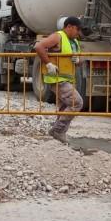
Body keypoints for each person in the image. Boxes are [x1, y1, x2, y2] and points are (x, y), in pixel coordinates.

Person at [35, 16, 84, 144]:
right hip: (57, 79)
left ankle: (57, 137)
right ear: (69, 27)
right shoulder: (58, 36)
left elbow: (80, 59)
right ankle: (58, 130)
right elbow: (39, 46)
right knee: (76, 103)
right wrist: (48, 64)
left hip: (67, 79)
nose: (79, 32)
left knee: (63, 107)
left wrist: (78, 60)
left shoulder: (74, 41)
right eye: (77, 29)